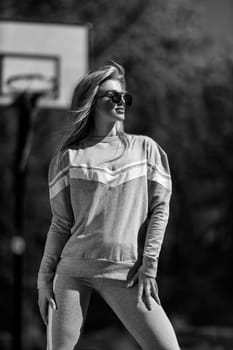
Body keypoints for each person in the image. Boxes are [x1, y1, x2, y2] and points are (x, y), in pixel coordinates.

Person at [37, 61, 181, 350]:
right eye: (112, 96)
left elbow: (159, 211)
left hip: (127, 273)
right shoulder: (69, 157)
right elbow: (61, 223)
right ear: (91, 102)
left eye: (124, 97)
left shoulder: (146, 149)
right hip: (72, 271)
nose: (121, 102)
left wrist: (149, 267)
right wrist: (44, 279)